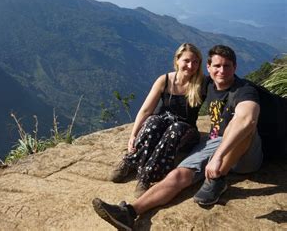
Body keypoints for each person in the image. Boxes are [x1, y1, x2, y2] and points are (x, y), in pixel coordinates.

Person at [92, 45, 263, 230]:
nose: (221, 70)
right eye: (217, 66)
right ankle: (129, 213)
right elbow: (150, 108)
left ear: (235, 67)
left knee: (244, 128)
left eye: (227, 66)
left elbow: (247, 119)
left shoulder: (244, 89)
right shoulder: (209, 84)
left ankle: (217, 179)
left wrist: (219, 158)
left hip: (243, 153)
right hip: (214, 142)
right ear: (208, 67)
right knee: (178, 174)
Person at [109, 43, 204, 197]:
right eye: (186, 61)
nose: (190, 65)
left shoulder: (202, 84)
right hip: (163, 126)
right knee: (154, 121)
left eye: (195, 62)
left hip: (186, 131)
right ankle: (130, 161)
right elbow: (146, 110)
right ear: (177, 60)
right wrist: (133, 135)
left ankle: (147, 176)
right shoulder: (165, 80)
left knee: (176, 128)